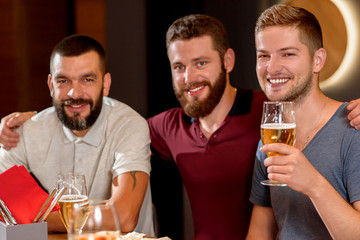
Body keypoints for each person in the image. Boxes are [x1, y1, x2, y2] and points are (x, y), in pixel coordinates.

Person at [1, 14, 360, 240]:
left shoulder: (269, 113)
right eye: (179, 67)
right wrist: (43, 113)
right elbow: (109, 124)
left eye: (201, 62)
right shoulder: (164, 127)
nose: (190, 77)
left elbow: (309, 103)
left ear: (229, 60)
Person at [0, 35, 154, 236]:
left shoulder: (129, 125)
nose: (74, 93)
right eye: (63, 81)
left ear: (105, 84)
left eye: (87, 79)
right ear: (51, 85)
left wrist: (31, 217)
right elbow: (4, 205)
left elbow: (123, 218)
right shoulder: (26, 131)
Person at [246, 4, 360, 240]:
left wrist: (314, 184)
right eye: (263, 55)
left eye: (287, 54)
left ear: (317, 60)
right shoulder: (269, 141)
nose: (272, 67)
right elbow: (260, 231)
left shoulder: (354, 129)